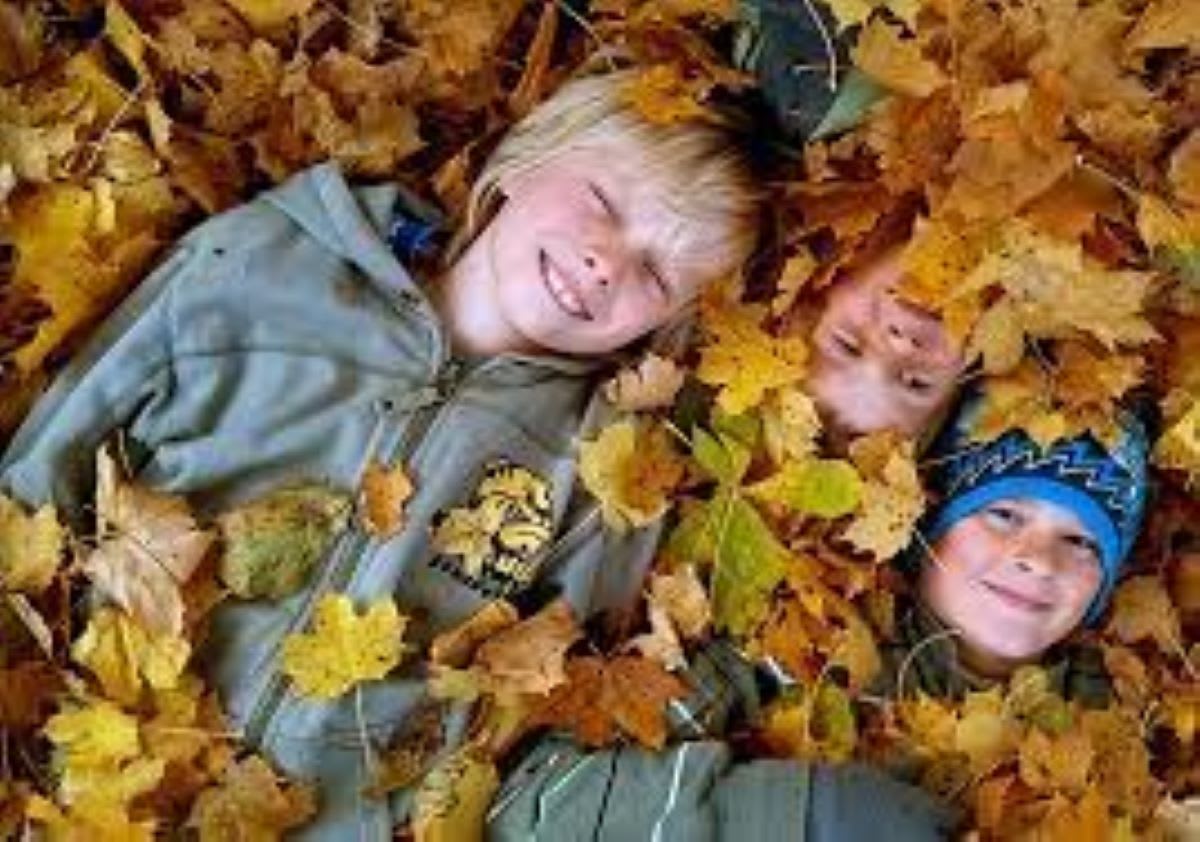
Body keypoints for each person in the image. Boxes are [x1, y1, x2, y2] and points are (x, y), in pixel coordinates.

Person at [0, 68, 762, 838]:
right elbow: (47, 466)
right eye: (604, 203)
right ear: (525, 161)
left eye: (656, 274)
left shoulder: (603, 467)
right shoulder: (270, 262)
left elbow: (557, 706)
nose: (607, 262)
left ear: (663, 328)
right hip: (79, 757)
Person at [872, 388, 1152, 704]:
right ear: (927, 529)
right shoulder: (839, 677)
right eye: (1004, 515)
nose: (1039, 561)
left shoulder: (1132, 714)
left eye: (1079, 541)